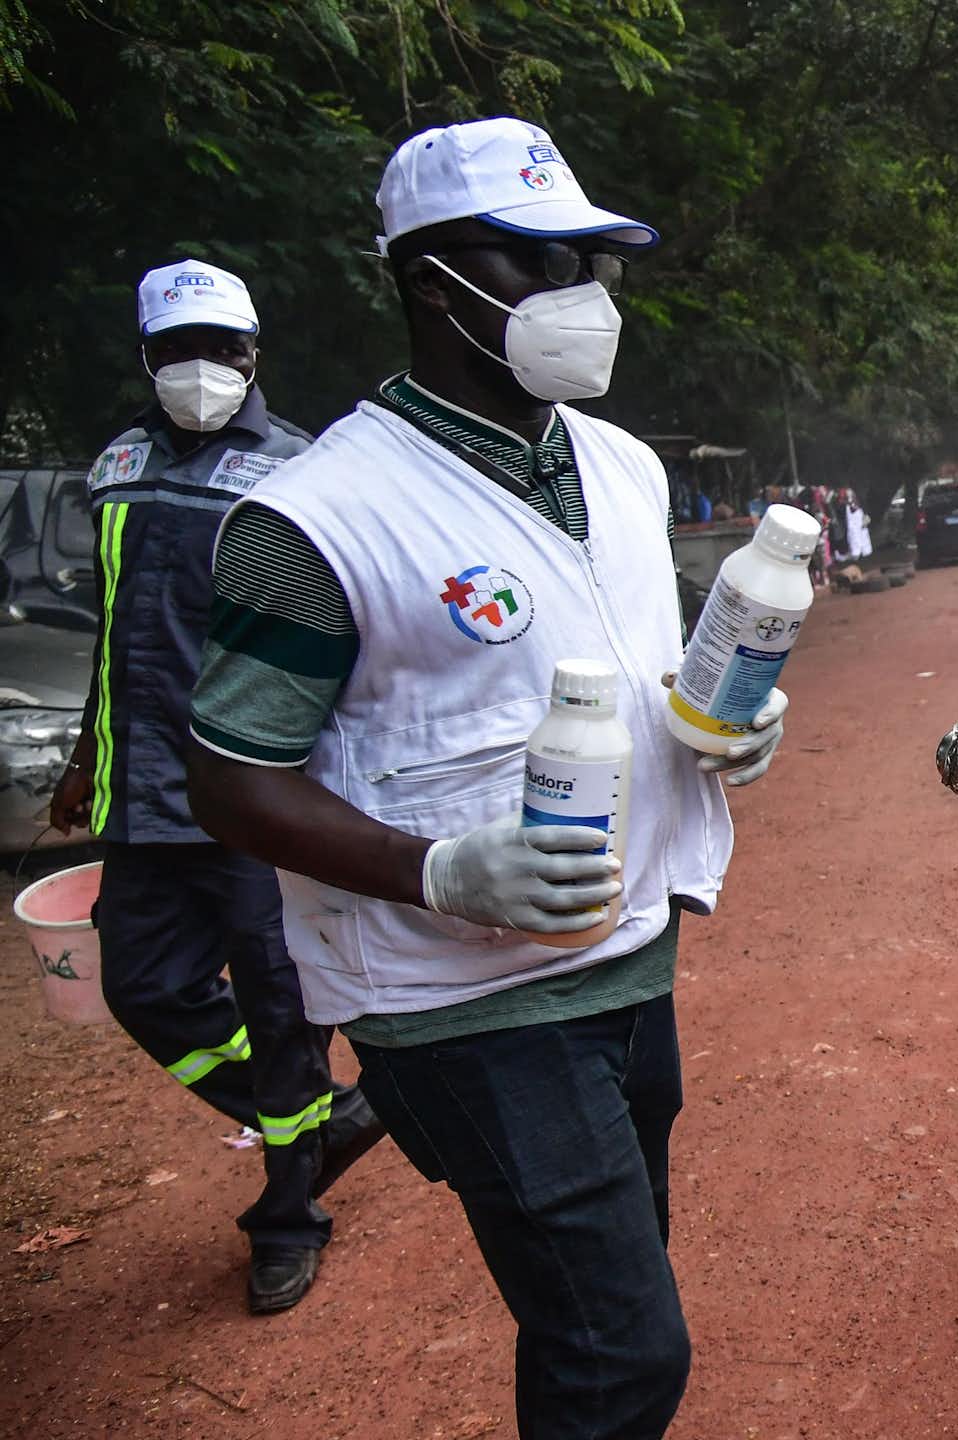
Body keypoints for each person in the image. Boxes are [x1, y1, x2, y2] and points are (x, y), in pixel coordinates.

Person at [185, 116, 786, 1440]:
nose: (583, 295)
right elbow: (230, 779)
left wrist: (729, 723)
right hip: (457, 999)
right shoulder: (318, 518)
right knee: (623, 1349)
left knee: (602, 1321)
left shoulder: (620, 466)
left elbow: (647, 662)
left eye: (592, 260)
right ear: (428, 279)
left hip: (628, 953)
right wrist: (438, 871)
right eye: (536, 261)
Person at [47, 259, 384, 1315]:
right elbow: (116, 632)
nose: (203, 369)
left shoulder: (300, 472)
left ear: (253, 353)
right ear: (148, 359)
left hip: (252, 793)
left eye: (222, 349)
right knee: (142, 988)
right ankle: (320, 1117)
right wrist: (83, 755)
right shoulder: (116, 464)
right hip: (140, 794)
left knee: (280, 1005)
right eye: (178, 351)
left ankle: (288, 1217)